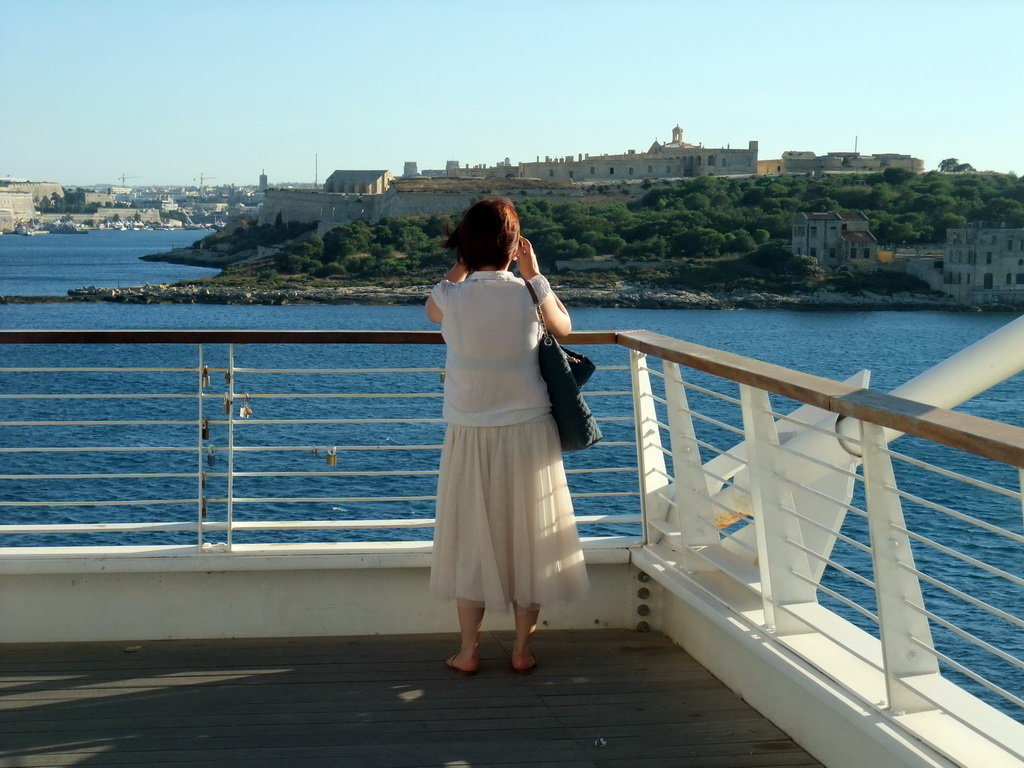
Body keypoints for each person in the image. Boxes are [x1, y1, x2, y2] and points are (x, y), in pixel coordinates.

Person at [426, 196, 589, 675]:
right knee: (530, 538)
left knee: (470, 539)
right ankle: (521, 650)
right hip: (528, 430)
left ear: (464, 247)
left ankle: (469, 651)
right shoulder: (526, 295)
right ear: (515, 245)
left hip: (470, 432)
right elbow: (565, 326)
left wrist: (459, 267)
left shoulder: (451, 298)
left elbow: (431, 311)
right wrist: (533, 272)